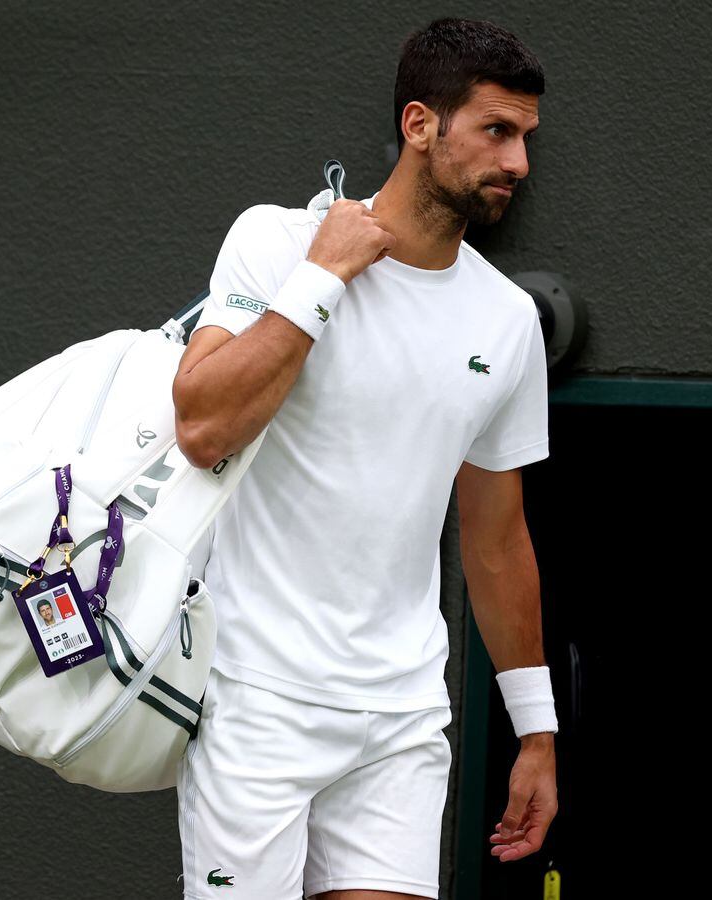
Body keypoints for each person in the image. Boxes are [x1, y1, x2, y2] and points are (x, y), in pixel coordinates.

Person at [171, 17, 558, 900]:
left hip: (401, 720)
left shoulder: (505, 324)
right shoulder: (277, 242)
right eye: (497, 131)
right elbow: (203, 425)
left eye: (526, 137)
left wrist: (536, 733)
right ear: (420, 125)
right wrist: (323, 277)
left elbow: (496, 542)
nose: (518, 163)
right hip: (255, 699)